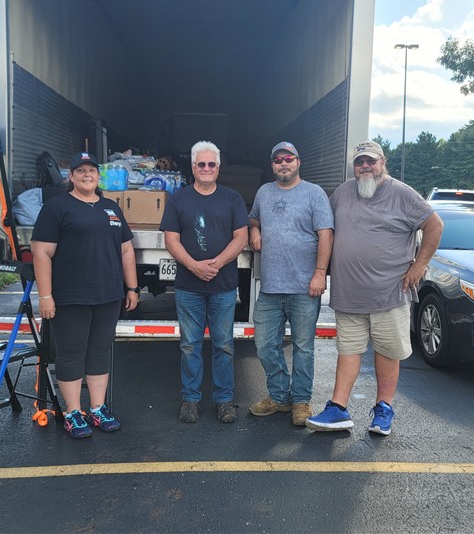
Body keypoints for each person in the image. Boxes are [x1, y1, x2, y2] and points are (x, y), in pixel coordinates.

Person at [306, 140, 443, 436]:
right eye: (359, 162)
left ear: (383, 162)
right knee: (348, 351)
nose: (365, 166)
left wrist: (419, 266)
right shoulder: (343, 192)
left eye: (371, 160)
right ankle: (338, 408)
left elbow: (435, 226)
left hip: (389, 293)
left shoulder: (402, 194)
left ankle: (383, 409)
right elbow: (324, 229)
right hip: (348, 294)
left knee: (387, 351)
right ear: (354, 167)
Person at [31, 151, 140, 439]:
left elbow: (126, 250)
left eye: (92, 170)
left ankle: (97, 409)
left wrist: (132, 288)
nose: (87, 175)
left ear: (98, 176)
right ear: (71, 176)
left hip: (108, 295)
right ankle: (72, 413)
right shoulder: (57, 207)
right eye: (81, 171)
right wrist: (45, 296)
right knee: (71, 352)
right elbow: (41, 252)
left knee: (100, 351)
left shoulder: (110, 208)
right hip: (71, 295)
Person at [159, 141, 249, 424]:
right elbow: (171, 239)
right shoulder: (178, 199)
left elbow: (241, 237)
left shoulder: (233, 199)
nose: (206, 168)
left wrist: (216, 264)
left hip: (223, 286)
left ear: (218, 168)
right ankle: (190, 399)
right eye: (201, 164)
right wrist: (193, 266)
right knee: (189, 345)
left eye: (211, 164)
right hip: (188, 286)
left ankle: (224, 400)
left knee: (224, 345)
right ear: (193, 167)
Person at [248, 142, 333, 426]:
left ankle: (301, 402)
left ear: (298, 162)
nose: (283, 163)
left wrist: (320, 273)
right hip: (270, 288)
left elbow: (326, 234)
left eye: (288, 158)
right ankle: (279, 397)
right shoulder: (264, 192)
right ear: (272, 165)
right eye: (278, 160)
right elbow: (253, 218)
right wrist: (255, 230)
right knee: (265, 345)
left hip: (304, 288)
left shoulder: (314, 193)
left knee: (303, 348)